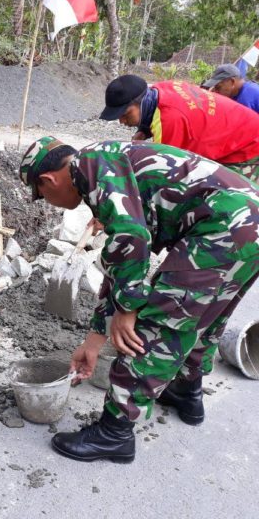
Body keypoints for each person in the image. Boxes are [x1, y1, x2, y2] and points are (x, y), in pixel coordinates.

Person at [19, 137, 259, 463]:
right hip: (247, 223)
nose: (47, 200)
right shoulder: (101, 164)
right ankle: (186, 392)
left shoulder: (91, 170)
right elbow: (121, 263)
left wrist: (128, 309)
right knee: (205, 314)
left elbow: (133, 240)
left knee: (160, 322)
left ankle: (114, 432)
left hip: (223, 226)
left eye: (42, 194)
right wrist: (93, 341)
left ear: (48, 180)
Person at [99, 74, 259, 182]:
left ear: (141, 101)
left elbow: (159, 177)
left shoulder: (170, 124)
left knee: (234, 201)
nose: (121, 121)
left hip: (249, 146)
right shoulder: (160, 88)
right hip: (243, 125)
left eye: (125, 114)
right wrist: (144, 130)